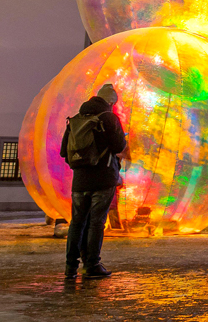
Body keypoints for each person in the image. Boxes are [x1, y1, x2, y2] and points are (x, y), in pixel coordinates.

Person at [59, 82, 126, 278]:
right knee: (97, 223)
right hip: (103, 179)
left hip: (80, 180)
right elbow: (119, 145)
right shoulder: (109, 118)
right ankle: (92, 265)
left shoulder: (77, 119)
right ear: (111, 102)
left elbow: (65, 152)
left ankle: (70, 266)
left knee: (77, 223)